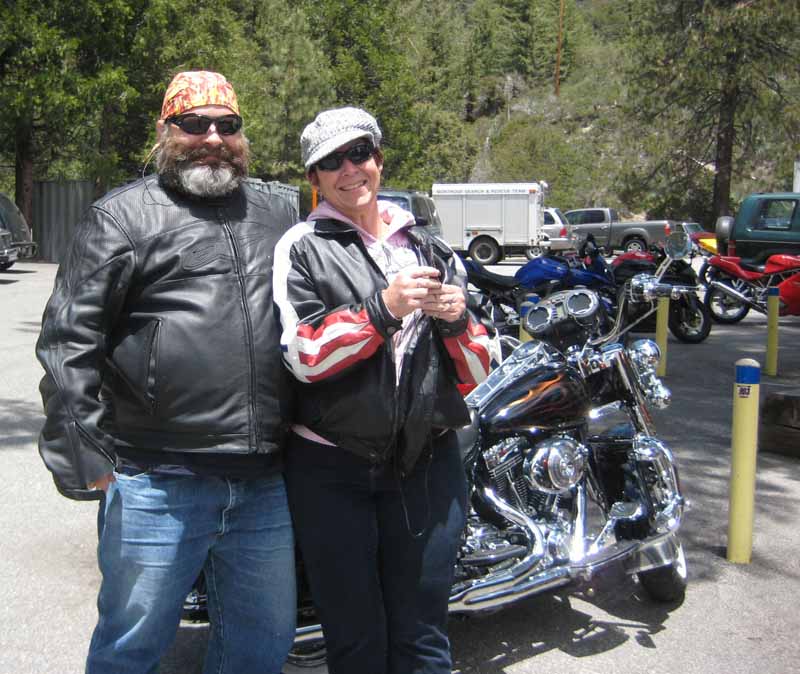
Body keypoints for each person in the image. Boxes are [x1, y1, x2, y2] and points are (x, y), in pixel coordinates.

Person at [36, 71, 296, 674]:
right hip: (155, 480)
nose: (213, 137)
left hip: (264, 482)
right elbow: (69, 339)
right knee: (130, 650)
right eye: (194, 124)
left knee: (261, 647)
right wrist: (87, 458)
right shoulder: (121, 216)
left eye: (227, 125)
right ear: (165, 130)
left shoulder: (279, 211)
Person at [273, 106, 499, 674]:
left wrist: (456, 320)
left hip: (426, 461)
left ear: (378, 158)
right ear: (314, 178)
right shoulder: (301, 245)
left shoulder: (428, 245)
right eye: (331, 162)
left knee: (423, 635)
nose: (349, 170)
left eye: (359, 154)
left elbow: (478, 371)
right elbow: (304, 355)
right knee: (355, 639)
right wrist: (382, 310)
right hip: (333, 469)